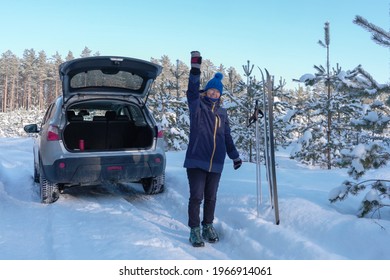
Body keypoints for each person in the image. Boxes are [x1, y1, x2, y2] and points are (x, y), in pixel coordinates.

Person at [184, 51, 242, 247]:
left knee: (211, 198)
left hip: (216, 162)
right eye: (211, 91)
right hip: (197, 160)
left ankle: (208, 225)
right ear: (206, 91)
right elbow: (192, 91)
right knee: (196, 197)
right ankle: (194, 230)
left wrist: (234, 156)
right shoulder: (197, 107)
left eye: (217, 92)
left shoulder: (222, 113)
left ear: (220, 95)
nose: (214, 94)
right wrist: (195, 69)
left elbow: (226, 137)